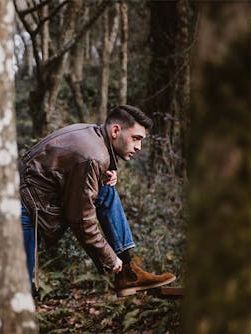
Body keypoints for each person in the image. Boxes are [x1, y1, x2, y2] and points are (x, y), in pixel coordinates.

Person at [19, 105, 175, 297]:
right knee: (19, 288)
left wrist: (106, 173)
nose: (138, 147)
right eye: (136, 138)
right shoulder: (93, 156)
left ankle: (128, 271)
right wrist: (110, 258)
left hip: (37, 198)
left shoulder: (95, 137)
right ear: (116, 130)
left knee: (106, 191)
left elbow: (74, 165)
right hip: (23, 206)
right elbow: (81, 220)